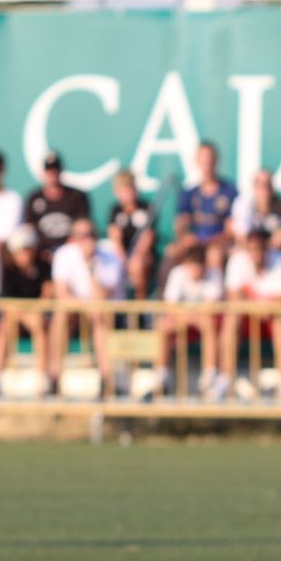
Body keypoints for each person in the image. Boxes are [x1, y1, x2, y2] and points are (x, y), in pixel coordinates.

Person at [223, 227, 281, 403]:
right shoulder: (237, 260)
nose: (256, 253)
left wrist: (261, 307)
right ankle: (225, 378)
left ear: (267, 247)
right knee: (231, 319)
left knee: (280, 321)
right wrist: (258, 307)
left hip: (273, 318)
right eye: (252, 248)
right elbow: (233, 296)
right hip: (250, 318)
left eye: (260, 248)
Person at [48, 218, 123, 392]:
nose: (86, 240)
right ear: (73, 238)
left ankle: (106, 378)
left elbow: (103, 296)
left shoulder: (110, 258)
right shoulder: (64, 254)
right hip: (79, 307)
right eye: (81, 236)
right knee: (61, 315)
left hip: (102, 310)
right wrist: (86, 306)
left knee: (100, 318)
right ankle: (54, 376)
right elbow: (62, 294)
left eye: (89, 235)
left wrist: (90, 267)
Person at [0, 224, 51, 396]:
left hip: (36, 315)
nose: (26, 253)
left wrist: (32, 313)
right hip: (16, 316)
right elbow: (7, 303)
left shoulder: (43, 265)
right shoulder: (6, 268)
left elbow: (47, 294)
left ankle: (43, 377)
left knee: (39, 323)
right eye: (22, 249)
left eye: (29, 249)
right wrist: (26, 315)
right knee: (5, 325)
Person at [155, 242, 227, 399]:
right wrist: (190, 317)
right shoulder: (177, 273)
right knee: (163, 325)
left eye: (199, 266)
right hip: (185, 321)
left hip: (202, 323)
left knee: (209, 325)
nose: (196, 271)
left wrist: (187, 315)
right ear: (186, 264)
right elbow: (170, 306)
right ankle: (161, 376)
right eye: (193, 266)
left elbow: (211, 308)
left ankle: (209, 376)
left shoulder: (214, 274)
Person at [168, 141, 237, 271]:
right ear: (197, 161)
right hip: (195, 244)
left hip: (219, 244)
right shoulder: (188, 193)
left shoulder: (230, 191)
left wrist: (206, 241)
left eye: (210, 158)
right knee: (172, 252)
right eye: (203, 159)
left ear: (216, 161)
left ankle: (214, 291)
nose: (207, 163)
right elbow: (182, 223)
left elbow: (231, 231)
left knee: (214, 254)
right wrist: (183, 237)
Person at [23, 151, 89, 262]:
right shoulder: (34, 198)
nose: (52, 174)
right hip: (42, 254)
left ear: (61, 171)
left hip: (70, 252)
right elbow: (30, 229)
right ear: (43, 172)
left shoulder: (76, 197)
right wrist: (41, 251)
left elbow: (82, 226)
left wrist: (62, 253)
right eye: (49, 170)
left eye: (55, 170)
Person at [105, 168, 158, 300]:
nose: (128, 193)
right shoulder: (115, 210)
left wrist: (136, 257)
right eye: (123, 189)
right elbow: (114, 237)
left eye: (130, 188)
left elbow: (148, 237)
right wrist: (124, 259)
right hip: (121, 255)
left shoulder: (146, 208)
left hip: (142, 255)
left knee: (139, 266)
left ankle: (138, 311)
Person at [230, 168, 281, 253]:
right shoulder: (243, 204)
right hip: (247, 252)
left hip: (272, 253)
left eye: (268, 183)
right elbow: (241, 238)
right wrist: (257, 248)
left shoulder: (280, 205)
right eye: (261, 183)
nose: (265, 187)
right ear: (254, 185)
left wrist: (260, 248)